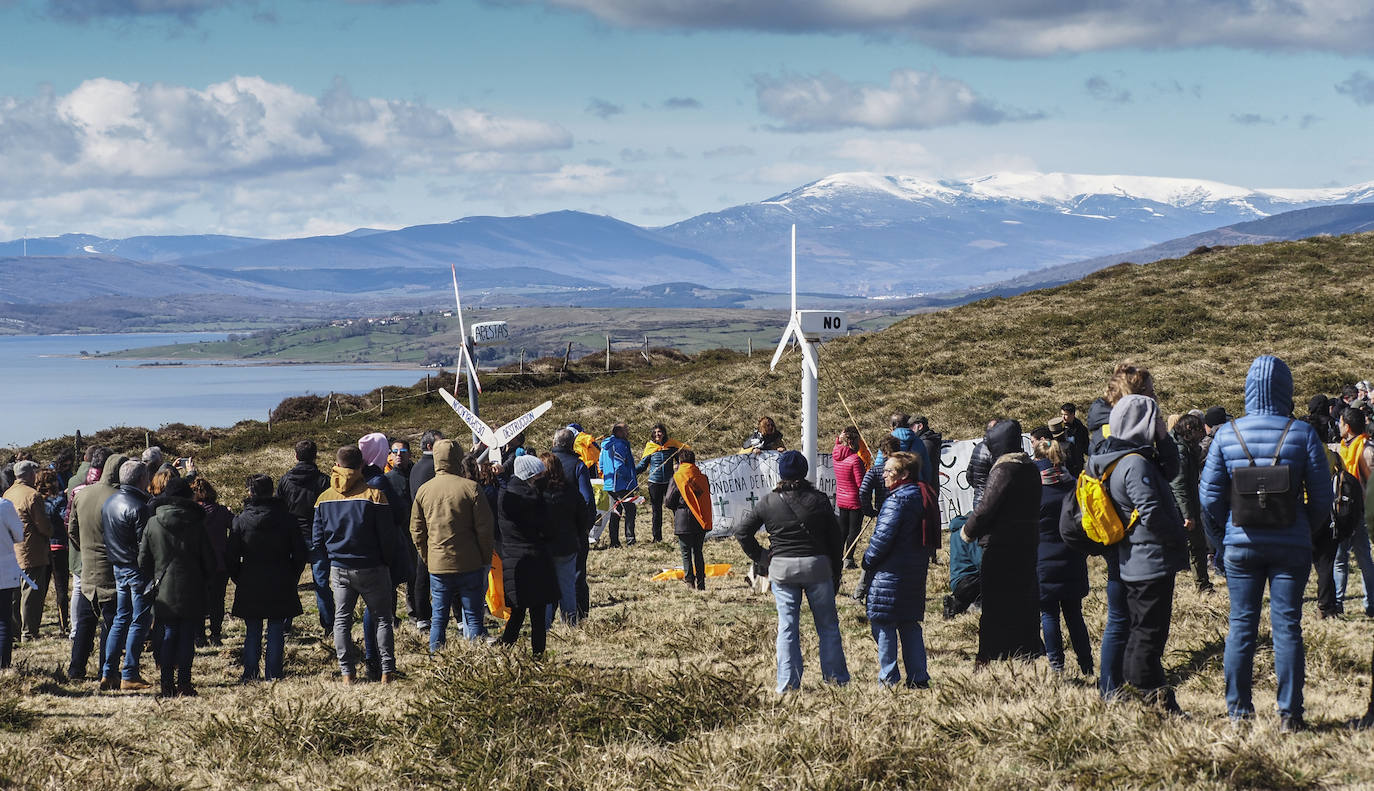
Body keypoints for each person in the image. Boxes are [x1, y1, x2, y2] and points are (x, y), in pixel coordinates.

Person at [1201, 356, 1333, 731]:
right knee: (1288, 626)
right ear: (1286, 389)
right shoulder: (1302, 433)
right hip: (1290, 543)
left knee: (1241, 625)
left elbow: (1209, 497)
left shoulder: (1227, 434)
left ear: (1247, 390)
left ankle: (1238, 714)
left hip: (1241, 543)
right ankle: (1290, 714)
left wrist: (1224, 533)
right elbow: (1322, 496)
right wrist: (1304, 528)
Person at [1093, 395, 1189, 713]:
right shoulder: (1134, 463)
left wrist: (1163, 438)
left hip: (1137, 560)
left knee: (1144, 631)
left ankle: (1153, 698)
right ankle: (1147, 691)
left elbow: (1171, 468)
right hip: (1150, 560)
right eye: (1155, 419)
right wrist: (1176, 538)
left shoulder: (1125, 457)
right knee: (1149, 634)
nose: (1160, 424)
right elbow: (1151, 510)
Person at [734, 451, 849, 693]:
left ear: (781, 473)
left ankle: (787, 684)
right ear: (805, 472)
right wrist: (836, 571)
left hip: (782, 569)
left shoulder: (768, 501)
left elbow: (742, 532)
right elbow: (836, 539)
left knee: (787, 627)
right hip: (817, 567)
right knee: (827, 626)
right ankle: (836, 679)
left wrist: (763, 557)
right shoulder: (819, 499)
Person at [960, 420, 1043, 664]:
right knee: (1023, 602)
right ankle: (1026, 650)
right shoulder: (1030, 468)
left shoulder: (1004, 469)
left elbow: (986, 507)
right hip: (1027, 544)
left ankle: (991, 654)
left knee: (995, 604)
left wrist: (968, 530)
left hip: (1001, 546)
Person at [313, 446, 395, 684]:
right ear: (362, 466)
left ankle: (347, 673)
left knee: (342, 621)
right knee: (382, 619)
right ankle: (386, 672)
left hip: (339, 567)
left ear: (336, 465)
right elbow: (387, 536)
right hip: (373, 566)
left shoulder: (323, 499)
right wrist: (386, 561)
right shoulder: (375, 495)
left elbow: (317, 540)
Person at [410, 438, 496, 649]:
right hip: (470, 562)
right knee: (473, 616)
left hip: (438, 564)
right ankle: (476, 658)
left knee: (438, 618)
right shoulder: (471, 488)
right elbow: (485, 529)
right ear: (458, 458)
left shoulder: (424, 490)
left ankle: (435, 656)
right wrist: (485, 557)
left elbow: (416, 530)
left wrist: (427, 557)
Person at [863, 451, 937, 688]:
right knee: (909, 623)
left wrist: (868, 560)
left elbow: (882, 537)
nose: (883, 475)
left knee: (885, 624)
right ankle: (918, 677)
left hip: (891, 572)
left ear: (904, 474)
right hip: (914, 570)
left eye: (888, 471)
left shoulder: (897, 500)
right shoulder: (921, 494)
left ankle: (888, 679)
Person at [138, 476, 214, 697]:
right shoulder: (198, 523)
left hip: (162, 588)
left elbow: (143, 560)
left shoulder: (153, 522)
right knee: (186, 636)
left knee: (167, 634)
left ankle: (166, 683)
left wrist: (155, 575)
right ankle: (184, 682)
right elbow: (209, 560)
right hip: (191, 586)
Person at [226, 474, 306, 681]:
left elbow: (231, 555)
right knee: (276, 628)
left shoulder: (241, 520)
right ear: (272, 491)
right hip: (280, 576)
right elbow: (300, 553)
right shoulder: (287, 519)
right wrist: (292, 575)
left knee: (252, 629)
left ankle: (250, 673)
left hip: (251, 578)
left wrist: (239, 576)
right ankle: (274, 673)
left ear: (250, 493)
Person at [1032, 432, 1092, 676]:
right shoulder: (1073, 484)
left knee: (1049, 615)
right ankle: (1087, 664)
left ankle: (1057, 666)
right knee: (1075, 614)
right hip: (1072, 555)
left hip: (1043, 558)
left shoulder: (1033, 489)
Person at [69, 450, 125, 682]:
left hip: (87, 567)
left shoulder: (82, 494)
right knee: (111, 623)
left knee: (85, 622)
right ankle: (106, 670)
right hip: (111, 570)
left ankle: (75, 669)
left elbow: (71, 530)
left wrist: (85, 550)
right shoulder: (118, 498)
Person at [497, 456, 559, 656]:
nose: (544, 478)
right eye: (540, 474)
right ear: (531, 477)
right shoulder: (532, 500)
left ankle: (505, 650)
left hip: (513, 561)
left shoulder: (506, 494)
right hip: (534, 561)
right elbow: (547, 528)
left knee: (517, 612)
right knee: (537, 615)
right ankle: (537, 655)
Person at [100, 460, 153, 691]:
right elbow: (145, 545)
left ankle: (109, 672)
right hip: (136, 569)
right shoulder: (140, 507)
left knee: (121, 618)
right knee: (139, 620)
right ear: (142, 479)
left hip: (118, 566)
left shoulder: (109, 502)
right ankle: (129, 673)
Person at [276, 440, 331, 636]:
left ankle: (284, 624)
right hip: (318, 538)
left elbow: (278, 510)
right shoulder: (324, 480)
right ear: (315, 456)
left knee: (289, 584)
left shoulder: (285, 480)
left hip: (292, 538)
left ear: (296, 456)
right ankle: (329, 626)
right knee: (322, 585)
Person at [538, 452, 591, 622]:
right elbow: (584, 517)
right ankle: (570, 621)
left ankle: (544, 625)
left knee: (546, 588)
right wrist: (579, 534)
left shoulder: (536, 492)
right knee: (567, 587)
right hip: (567, 546)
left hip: (544, 547)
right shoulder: (571, 491)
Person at [4, 460, 52, 642]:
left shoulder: (8, 493)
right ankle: (29, 632)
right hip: (32, 550)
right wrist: (51, 531)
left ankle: (14, 631)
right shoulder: (33, 495)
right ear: (31, 475)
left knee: (15, 595)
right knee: (32, 594)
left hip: (11, 550)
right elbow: (42, 526)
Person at [1333, 408, 1374, 617]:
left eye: (1340, 423)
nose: (1338, 426)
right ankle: (1338, 602)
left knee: (1359, 558)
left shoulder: (1366, 450)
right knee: (1343, 558)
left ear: (1347, 427)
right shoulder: (1342, 448)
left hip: (1357, 512)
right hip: (1343, 511)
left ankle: (1370, 603)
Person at [551, 428, 594, 620]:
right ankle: (579, 616)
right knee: (577, 576)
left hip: (548, 531)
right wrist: (586, 525)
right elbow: (587, 500)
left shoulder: (544, 463)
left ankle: (548, 618)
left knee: (550, 576)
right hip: (574, 531)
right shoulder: (578, 465)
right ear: (572, 445)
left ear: (554, 443)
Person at [1169, 413, 1214, 594]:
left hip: (1184, 504)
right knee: (1195, 546)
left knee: (1195, 546)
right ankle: (1202, 585)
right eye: (1198, 429)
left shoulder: (1185, 448)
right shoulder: (1181, 452)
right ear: (1189, 430)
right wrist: (1188, 514)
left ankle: (1202, 584)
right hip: (1182, 507)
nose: (1202, 433)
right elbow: (1179, 485)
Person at [407, 430, 444, 635]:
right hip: (434, 528)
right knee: (430, 574)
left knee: (422, 574)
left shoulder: (417, 467)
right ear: (430, 446)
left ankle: (423, 616)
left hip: (422, 527)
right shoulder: (432, 467)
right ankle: (427, 616)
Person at [189, 477, 232, 646]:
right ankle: (215, 633)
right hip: (219, 563)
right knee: (217, 601)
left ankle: (199, 635)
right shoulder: (221, 511)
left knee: (197, 601)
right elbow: (235, 524)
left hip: (196, 564)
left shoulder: (190, 513)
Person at [665, 449, 712, 590]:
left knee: (686, 553)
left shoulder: (677, 478)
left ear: (680, 462)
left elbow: (668, 501)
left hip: (683, 519)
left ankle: (690, 581)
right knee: (698, 551)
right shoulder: (703, 478)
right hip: (701, 518)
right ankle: (701, 582)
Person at [635, 423, 687, 543]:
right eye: (655, 432)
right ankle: (657, 537)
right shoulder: (651, 447)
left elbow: (681, 460)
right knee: (656, 510)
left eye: (659, 432)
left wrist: (682, 467)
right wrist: (632, 472)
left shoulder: (671, 447)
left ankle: (680, 534)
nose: (657, 434)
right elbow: (643, 465)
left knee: (675, 508)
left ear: (663, 433)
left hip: (669, 482)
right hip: (654, 483)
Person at [37, 468, 70, 635]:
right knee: (61, 587)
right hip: (59, 547)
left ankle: (35, 621)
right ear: (54, 482)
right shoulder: (59, 500)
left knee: (40, 588)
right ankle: (63, 623)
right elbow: (66, 518)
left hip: (43, 547)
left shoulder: (37, 501)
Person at [599, 423, 638, 547]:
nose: (628, 432)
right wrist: (628, 478)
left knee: (616, 511)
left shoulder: (605, 445)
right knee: (630, 510)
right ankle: (630, 539)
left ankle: (614, 541)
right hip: (621, 484)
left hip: (610, 484)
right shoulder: (620, 444)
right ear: (619, 432)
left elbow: (600, 465)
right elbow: (619, 465)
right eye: (626, 430)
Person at [834, 426, 868, 569]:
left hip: (841, 499)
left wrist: (838, 439)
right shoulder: (855, 460)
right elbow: (861, 484)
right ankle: (848, 558)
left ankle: (837, 556)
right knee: (854, 530)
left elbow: (836, 445)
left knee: (842, 530)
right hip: (854, 500)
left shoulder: (836, 454)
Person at [0, 497, 24, 669]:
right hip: (3, 572)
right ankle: (3, 667)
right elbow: (19, 535)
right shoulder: (4, 506)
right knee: (3, 621)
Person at [1061, 403, 1089, 477]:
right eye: (1062, 414)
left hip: (1077, 465)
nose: (1063, 417)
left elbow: (1086, 447)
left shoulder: (1081, 429)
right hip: (1063, 465)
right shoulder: (1059, 428)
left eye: (1065, 415)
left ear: (1073, 414)